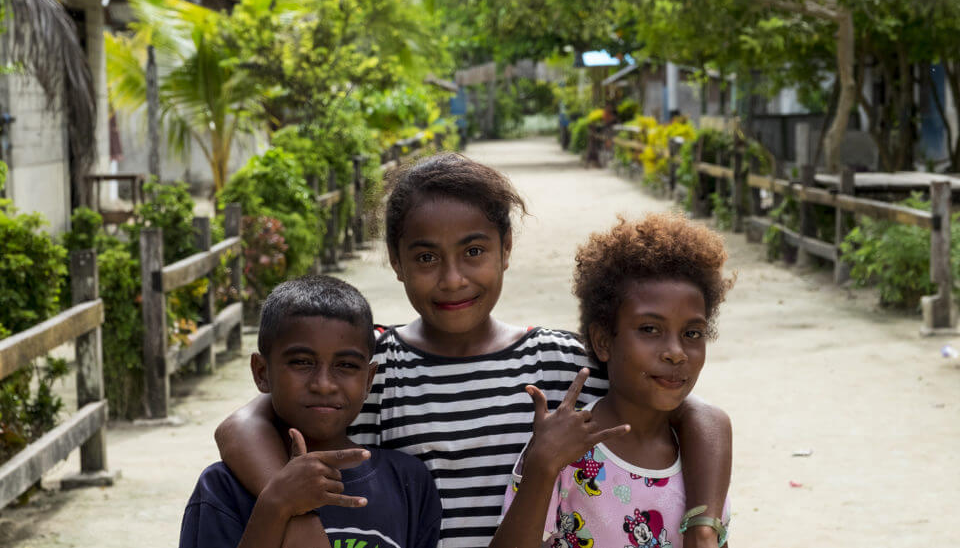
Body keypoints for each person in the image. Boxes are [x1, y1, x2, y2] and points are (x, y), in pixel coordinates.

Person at [214, 153, 733, 548]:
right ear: (395, 261)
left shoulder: (561, 365)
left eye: (474, 251)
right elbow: (242, 425)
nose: (453, 278)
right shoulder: (374, 366)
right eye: (425, 257)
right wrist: (291, 509)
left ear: (506, 248)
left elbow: (696, 415)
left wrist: (703, 524)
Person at [491, 213, 734, 548]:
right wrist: (543, 467)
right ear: (604, 341)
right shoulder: (566, 448)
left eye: (692, 333)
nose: (676, 352)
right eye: (650, 329)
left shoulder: (699, 458)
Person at [179, 276, 441, 548]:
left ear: (368, 380)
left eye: (347, 365)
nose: (324, 384)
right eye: (302, 362)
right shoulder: (223, 487)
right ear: (261, 372)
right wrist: (276, 506)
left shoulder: (408, 482)